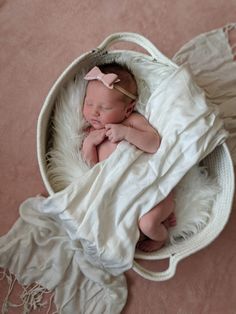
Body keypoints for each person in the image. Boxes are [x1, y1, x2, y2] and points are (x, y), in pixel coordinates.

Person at [82, 63, 176, 252]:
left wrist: (126, 133)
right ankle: (150, 228)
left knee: (148, 224)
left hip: (151, 189)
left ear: (127, 108)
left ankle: (161, 234)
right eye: (89, 103)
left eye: (104, 107)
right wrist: (88, 144)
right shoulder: (92, 133)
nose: (94, 112)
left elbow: (154, 144)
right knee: (109, 229)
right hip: (122, 195)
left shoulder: (132, 121)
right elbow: (92, 170)